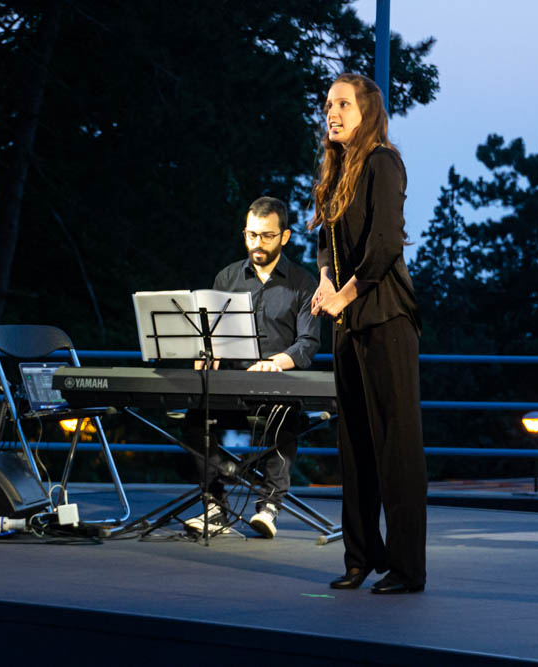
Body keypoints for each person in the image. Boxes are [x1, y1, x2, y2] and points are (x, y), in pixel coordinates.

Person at [309, 73, 427, 594]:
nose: (331, 112)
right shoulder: (336, 170)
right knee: (353, 444)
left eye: (342, 104)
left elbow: (383, 248)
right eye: (328, 104)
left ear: (366, 111)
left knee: (395, 446)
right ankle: (359, 557)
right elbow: (324, 241)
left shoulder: (383, 161)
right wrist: (323, 282)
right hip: (347, 322)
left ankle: (406, 567)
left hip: (385, 318)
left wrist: (344, 295)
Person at [183, 196, 320, 538]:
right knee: (194, 417)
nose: (257, 244)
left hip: (277, 387)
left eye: (266, 236)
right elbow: (210, 334)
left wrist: (276, 362)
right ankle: (216, 505)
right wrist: (207, 352)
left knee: (285, 416)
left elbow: (308, 343)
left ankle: (268, 506)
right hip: (231, 385)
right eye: (251, 235)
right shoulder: (227, 277)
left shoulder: (303, 284)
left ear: (284, 237)